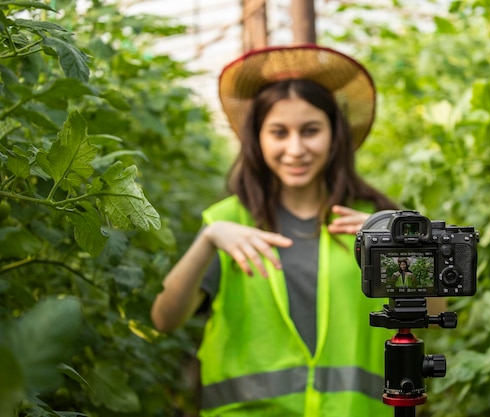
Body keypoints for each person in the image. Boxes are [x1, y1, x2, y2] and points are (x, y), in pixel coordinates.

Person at [151, 44, 444, 417]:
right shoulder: (229, 223)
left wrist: (399, 251)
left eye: (310, 131)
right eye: (278, 132)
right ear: (257, 138)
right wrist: (208, 240)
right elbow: (164, 319)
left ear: (334, 134)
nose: (295, 148)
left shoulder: (376, 221)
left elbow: (435, 312)